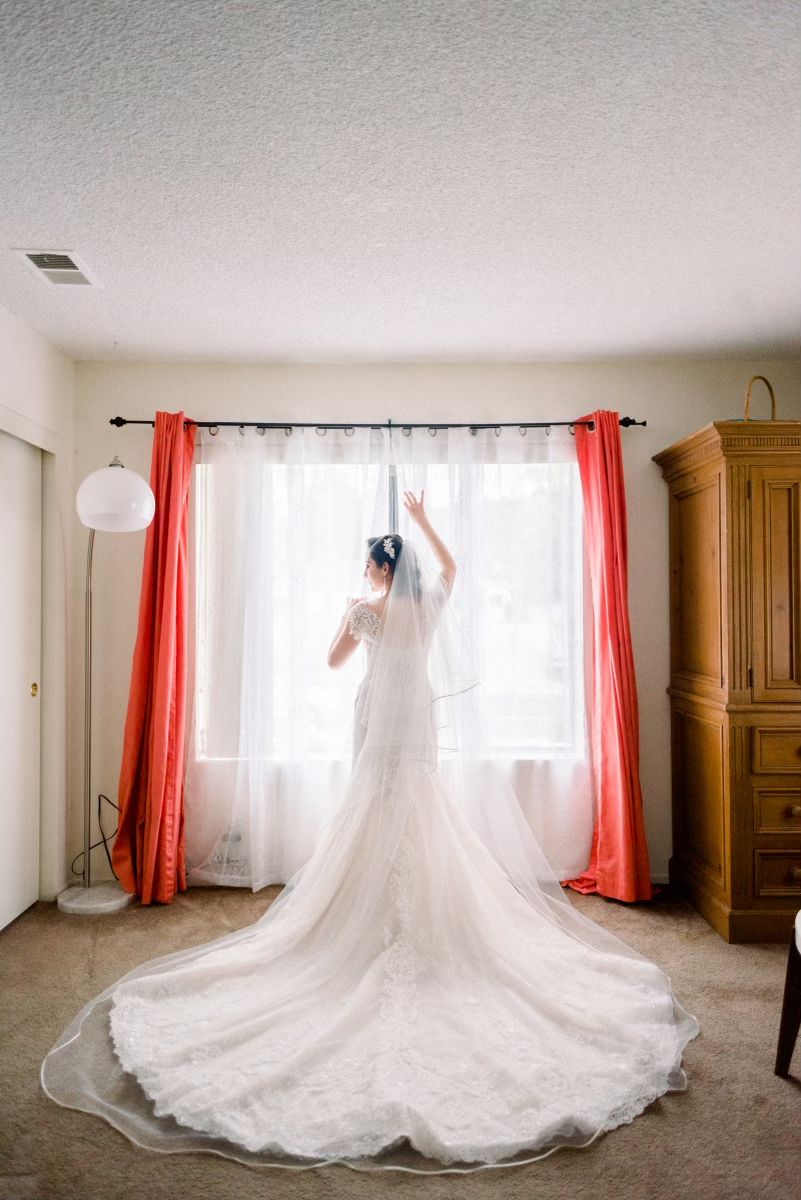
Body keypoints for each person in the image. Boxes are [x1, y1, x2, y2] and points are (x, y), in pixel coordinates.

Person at [41, 492, 698, 1174]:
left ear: (380, 569)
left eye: (369, 563)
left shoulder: (367, 610)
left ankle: (359, 920)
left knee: (377, 804)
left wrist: (344, 618)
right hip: (414, 718)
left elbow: (331, 663)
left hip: (376, 717)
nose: (366, 570)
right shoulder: (431, 606)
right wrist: (422, 523)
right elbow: (453, 567)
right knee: (415, 803)